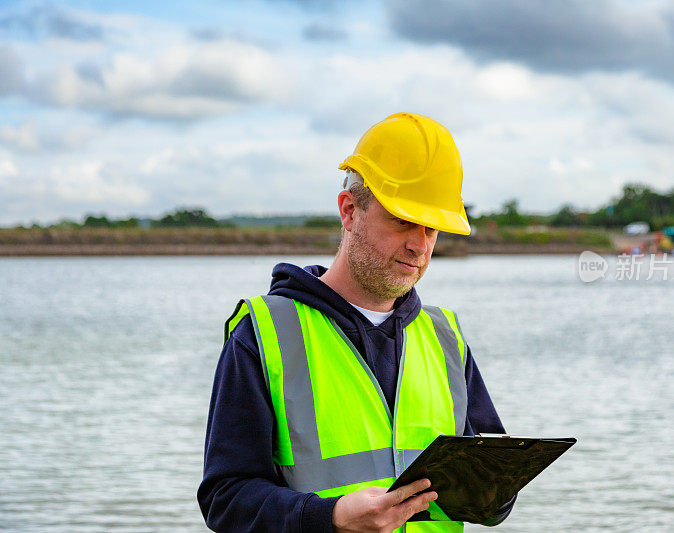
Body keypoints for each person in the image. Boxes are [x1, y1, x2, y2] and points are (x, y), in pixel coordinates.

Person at [198, 113, 514, 532]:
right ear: (350, 210)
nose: (419, 245)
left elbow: (490, 495)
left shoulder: (445, 337)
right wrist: (329, 517)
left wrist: (496, 494)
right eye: (402, 220)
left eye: (431, 228)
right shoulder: (263, 334)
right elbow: (226, 501)